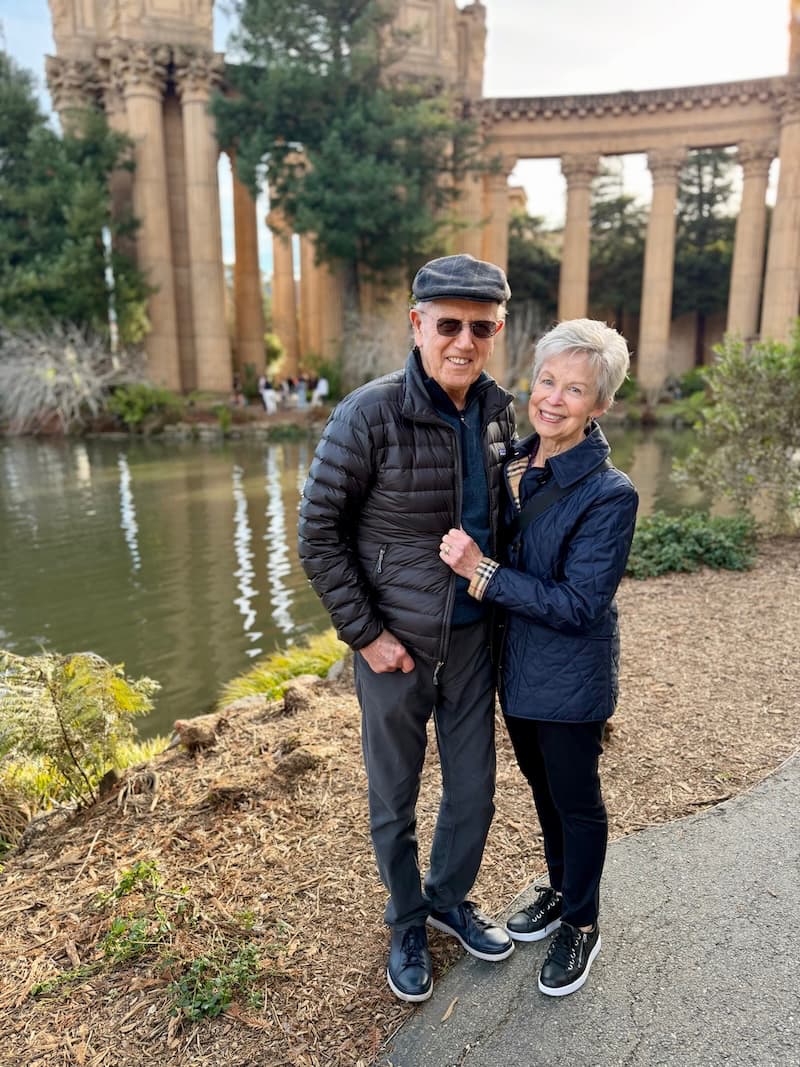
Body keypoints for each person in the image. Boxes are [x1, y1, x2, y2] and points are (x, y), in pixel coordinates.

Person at [298, 254, 517, 1003]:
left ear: (497, 329)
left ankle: (449, 899)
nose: (464, 340)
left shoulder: (499, 412)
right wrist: (364, 634)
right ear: (417, 323)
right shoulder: (369, 412)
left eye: (480, 326)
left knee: (475, 790)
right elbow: (317, 532)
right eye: (448, 323)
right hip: (396, 646)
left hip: (474, 640)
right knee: (394, 796)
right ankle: (405, 919)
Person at [440, 318, 638, 998]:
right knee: (544, 792)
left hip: (571, 679)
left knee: (577, 800)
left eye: (575, 389)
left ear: (599, 405)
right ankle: (560, 888)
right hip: (516, 672)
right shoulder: (514, 464)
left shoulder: (611, 494)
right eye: (548, 380)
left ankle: (582, 919)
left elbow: (582, 602)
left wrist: (483, 572)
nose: (554, 398)